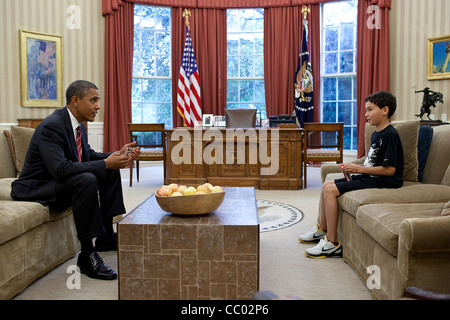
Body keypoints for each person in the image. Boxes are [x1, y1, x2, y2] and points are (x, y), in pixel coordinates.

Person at [11, 80, 139, 280]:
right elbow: (60, 169)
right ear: (75, 100)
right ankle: (87, 255)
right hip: (36, 186)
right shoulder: (52, 126)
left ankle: (106, 237)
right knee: (87, 179)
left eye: (98, 100)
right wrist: (106, 163)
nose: (98, 106)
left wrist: (114, 156)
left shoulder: (78, 126)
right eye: (93, 100)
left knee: (110, 171)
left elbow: (86, 156)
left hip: (56, 181)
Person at [298, 91, 404, 258]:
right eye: (366, 110)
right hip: (372, 177)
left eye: (370, 110)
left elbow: (390, 170)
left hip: (385, 181)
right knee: (327, 185)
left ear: (385, 110)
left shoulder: (390, 135)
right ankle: (322, 230)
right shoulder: (377, 133)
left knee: (331, 191)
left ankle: (332, 243)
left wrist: (359, 170)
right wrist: (355, 167)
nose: (365, 114)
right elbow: (372, 162)